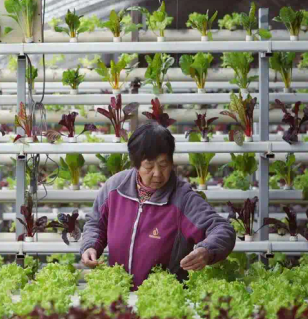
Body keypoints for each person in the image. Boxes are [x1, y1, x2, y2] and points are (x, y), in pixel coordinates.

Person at [80, 122, 236, 287]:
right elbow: (96, 223)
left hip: (163, 297)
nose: (157, 173)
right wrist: (90, 246)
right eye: (149, 166)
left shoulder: (183, 199)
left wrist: (207, 250)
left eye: (163, 165)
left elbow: (222, 229)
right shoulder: (115, 188)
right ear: (136, 164)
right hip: (119, 294)